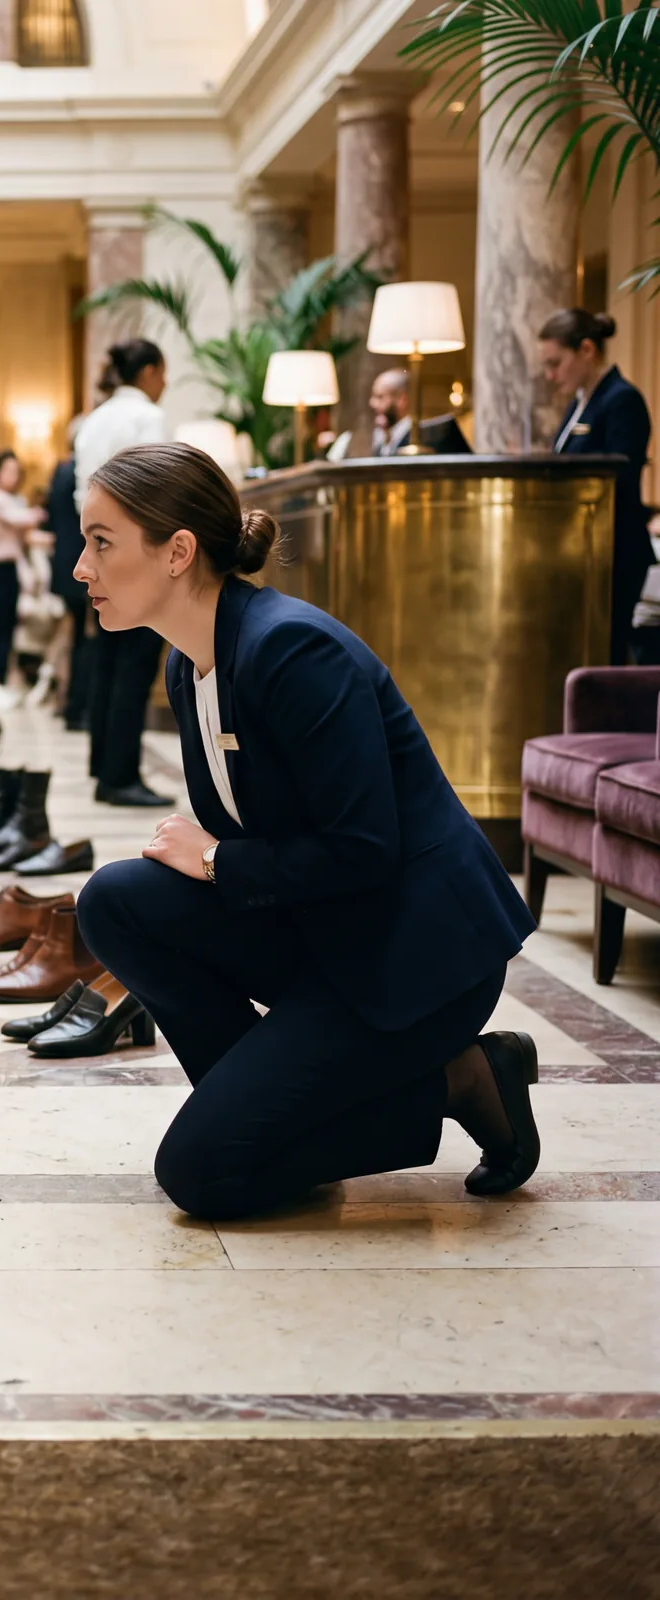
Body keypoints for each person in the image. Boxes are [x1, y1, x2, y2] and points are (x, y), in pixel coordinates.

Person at [73, 443, 541, 1222]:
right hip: (328, 933)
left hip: (414, 962)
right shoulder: (189, 666)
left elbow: (364, 848)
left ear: (178, 552)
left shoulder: (293, 650)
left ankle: (465, 1077)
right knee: (117, 899)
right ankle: (279, 1124)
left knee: (200, 1176)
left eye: (101, 541)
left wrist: (218, 858)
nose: (81, 568)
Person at [74, 340, 173, 806]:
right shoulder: (145, 417)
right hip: (134, 547)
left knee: (108, 660)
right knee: (134, 662)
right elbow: (155, 488)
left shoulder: (94, 419)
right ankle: (121, 776)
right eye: (163, 373)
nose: (165, 383)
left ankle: (103, 765)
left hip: (96, 544)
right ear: (150, 372)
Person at [542, 308, 654, 666]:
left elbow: (616, 477)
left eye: (556, 363)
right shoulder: (579, 403)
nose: (550, 375)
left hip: (614, 551)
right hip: (583, 550)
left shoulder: (622, 400)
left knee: (605, 655)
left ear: (587, 350)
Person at [0, 449, 47, 698]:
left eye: (16, 471)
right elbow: (20, 520)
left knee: (7, 628)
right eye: (7, 470)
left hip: (8, 569)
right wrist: (40, 512)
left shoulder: (13, 499)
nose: (13, 476)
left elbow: (25, 536)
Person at [48, 421, 92, 730]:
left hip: (63, 562)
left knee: (76, 636)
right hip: (80, 561)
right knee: (86, 639)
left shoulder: (59, 472)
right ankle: (78, 705)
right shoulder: (81, 473)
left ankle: (71, 703)